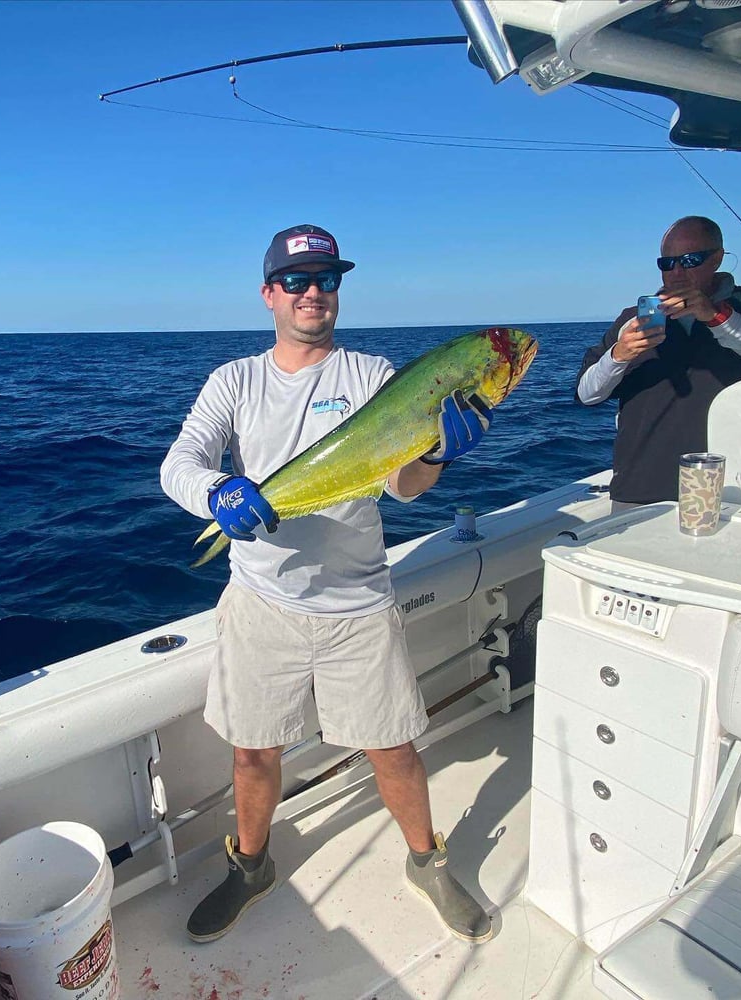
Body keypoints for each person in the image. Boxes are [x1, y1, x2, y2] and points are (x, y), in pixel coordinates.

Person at [160, 224, 495, 945]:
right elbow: (179, 462)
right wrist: (218, 491)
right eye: (297, 280)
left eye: (327, 279)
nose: (313, 293)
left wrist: (437, 453)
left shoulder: (373, 376)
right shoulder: (236, 381)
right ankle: (251, 867)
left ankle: (426, 861)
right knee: (253, 753)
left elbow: (403, 487)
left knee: (394, 749)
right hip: (261, 604)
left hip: (358, 605)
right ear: (268, 294)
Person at [576, 216, 741, 508]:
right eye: (667, 263)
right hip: (641, 486)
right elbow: (587, 394)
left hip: (732, 487)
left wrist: (716, 317)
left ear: (717, 259)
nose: (677, 272)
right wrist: (619, 356)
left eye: (690, 260)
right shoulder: (633, 319)